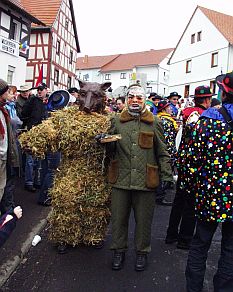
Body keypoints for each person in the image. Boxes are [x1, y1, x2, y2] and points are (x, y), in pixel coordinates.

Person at [104, 84, 174, 271]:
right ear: (127, 99)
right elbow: (110, 148)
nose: (135, 100)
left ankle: (142, 252)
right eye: (131, 97)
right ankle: (119, 250)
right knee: (118, 219)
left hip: (146, 181)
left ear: (144, 100)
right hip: (120, 179)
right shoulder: (116, 121)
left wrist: (167, 174)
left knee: (144, 221)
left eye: (139, 97)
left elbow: (162, 151)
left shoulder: (155, 122)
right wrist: (104, 142)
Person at [185, 72, 233, 291]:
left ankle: (193, 289)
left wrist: (188, 187)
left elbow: (192, 160)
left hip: (210, 194)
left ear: (224, 92)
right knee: (230, 251)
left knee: (199, 245)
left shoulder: (209, 119)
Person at [165, 85, 215, 250]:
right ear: (207, 100)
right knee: (191, 204)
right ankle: (184, 239)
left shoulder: (187, 112)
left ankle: (171, 235)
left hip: (184, 163)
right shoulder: (205, 116)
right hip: (196, 165)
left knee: (179, 200)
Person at [20, 83, 49, 192]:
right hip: (31, 132)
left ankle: (36, 181)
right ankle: (29, 182)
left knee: (38, 159)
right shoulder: (33, 100)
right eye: (38, 89)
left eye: (41, 89)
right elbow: (23, 113)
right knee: (30, 159)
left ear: (46, 90)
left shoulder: (47, 101)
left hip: (41, 133)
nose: (39, 91)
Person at [0, 79, 20, 211]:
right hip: (1, 156)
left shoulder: (3, 110)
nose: (10, 93)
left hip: (4, 156)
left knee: (1, 188)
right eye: (7, 91)